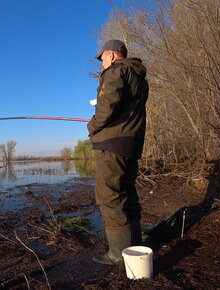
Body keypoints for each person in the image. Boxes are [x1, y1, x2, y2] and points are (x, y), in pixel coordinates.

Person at [88, 39, 149, 265]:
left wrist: (92, 126)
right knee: (127, 192)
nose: (101, 62)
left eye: (102, 57)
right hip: (132, 143)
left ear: (111, 55)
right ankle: (135, 244)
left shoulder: (115, 72)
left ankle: (118, 255)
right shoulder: (140, 77)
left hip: (111, 143)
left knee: (110, 195)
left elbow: (107, 106)